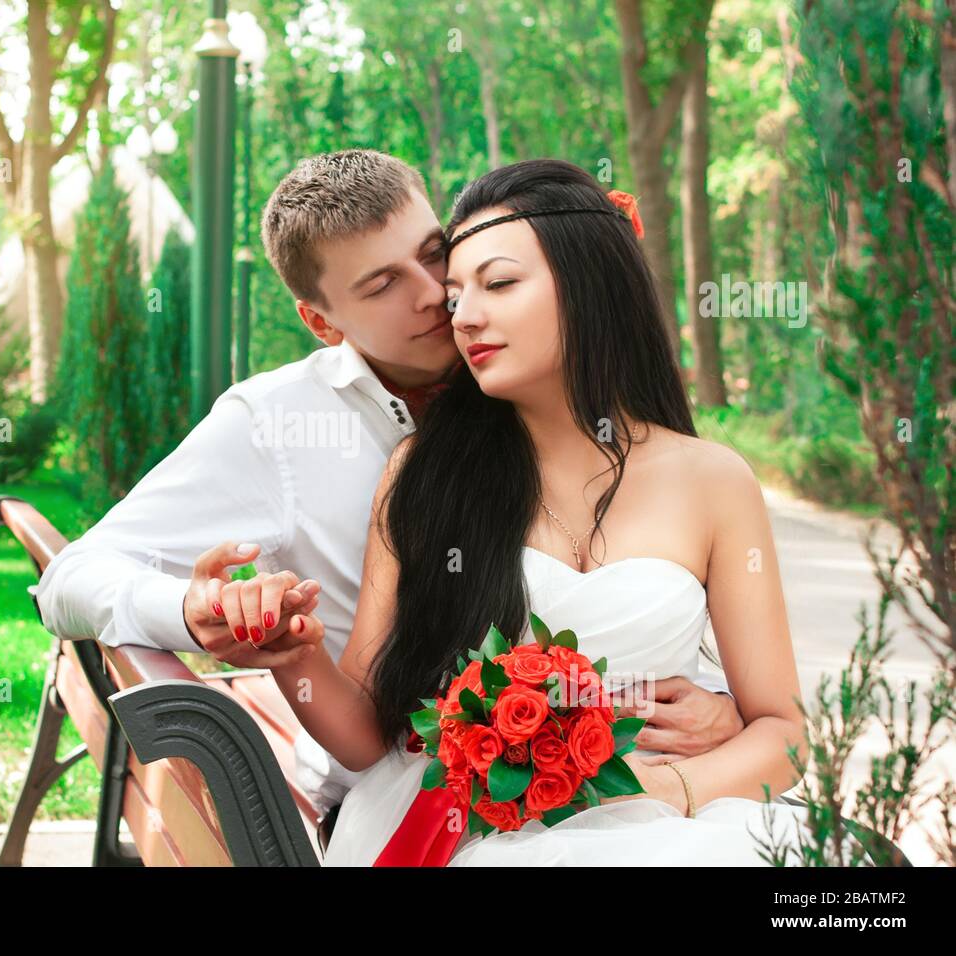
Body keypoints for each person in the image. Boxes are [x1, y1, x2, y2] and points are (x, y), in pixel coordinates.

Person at [34, 150, 743, 835]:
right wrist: (194, 610)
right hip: (402, 797)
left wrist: (726, 713)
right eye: (382, 285)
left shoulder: (529, 368)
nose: (436, 293)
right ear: (321, 320)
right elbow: (69, 580)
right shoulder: (279, 426)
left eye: (435, 253)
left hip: (623, 792)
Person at [220, 159, 820, 866]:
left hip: (679, 818)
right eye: (455, 295)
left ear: (592, 285)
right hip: (478, 832)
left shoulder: (714, 481)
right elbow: (362, 731)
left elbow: (784, 731)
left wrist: (661, 791)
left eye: (499, 284)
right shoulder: (424, 477)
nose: (464, 315)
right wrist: (292, 655)